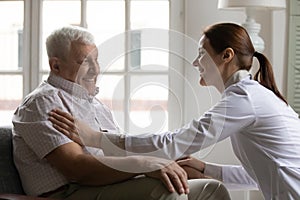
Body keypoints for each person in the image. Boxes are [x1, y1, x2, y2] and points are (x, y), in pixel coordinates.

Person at [49, 22, 300, 200]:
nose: (194, 62)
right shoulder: (253, 95)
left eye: (201, 54)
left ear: (227, 56)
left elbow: (173, 143)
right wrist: (205, 169)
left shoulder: (245, 98)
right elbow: (258, 175)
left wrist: (96, 138)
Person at [12, 25, 231, 200]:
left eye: (96, 60)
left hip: (111, 184)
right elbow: (77, 169)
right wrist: (145, 164)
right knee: (170, 192)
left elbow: (118, 152)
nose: (96, 69)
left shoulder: (96, 105)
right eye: (84, 62)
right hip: (70, 192)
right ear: (55, 66)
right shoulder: (43, 102)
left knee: (211, 190)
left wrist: (163, 159)